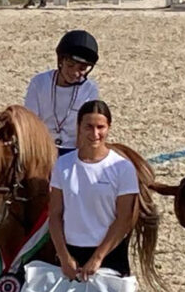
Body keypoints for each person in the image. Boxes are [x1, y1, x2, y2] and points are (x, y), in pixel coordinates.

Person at [49, 100, 139, 281]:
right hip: (71, 256)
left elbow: (124, 219)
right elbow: (55, 214)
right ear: (79, 127)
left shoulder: (122, 168)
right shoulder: (63, 165)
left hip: (110, 256)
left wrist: (98, 258)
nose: (95, 133)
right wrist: (64, 257)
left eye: (100, 127)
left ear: (109, 128)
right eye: (88, 127)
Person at [23, 30, 100, 157]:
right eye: (70, 65)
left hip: (73, 150)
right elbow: (31, 122)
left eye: (82, 69)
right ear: (61, 61)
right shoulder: (39, 82)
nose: (75, 73)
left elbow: (87, 126)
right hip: (42, 149)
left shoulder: (89, 89)